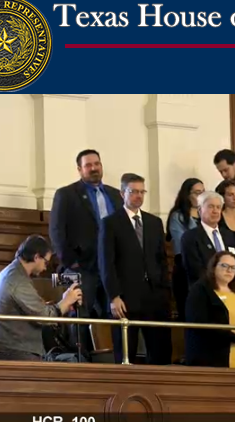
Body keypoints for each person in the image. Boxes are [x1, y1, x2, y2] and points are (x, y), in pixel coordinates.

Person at [49, 150, 123, 354]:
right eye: (88, 165)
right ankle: (79, 362)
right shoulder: (66, 194)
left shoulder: (115, 194)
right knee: (80, 317)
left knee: (113, 316)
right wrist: (71, 262)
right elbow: (56, 231)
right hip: (82, 267)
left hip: (110, 267)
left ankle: (113, 362)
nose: (94, 168)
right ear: (79, 169)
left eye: (97, 164)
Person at [98, 173, 172, 365]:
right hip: (126, 298)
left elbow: (162, 260)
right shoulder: (111, 223)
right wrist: (113, 296)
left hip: (154, 297)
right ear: (123, 193)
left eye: (142, 192)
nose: (138, 196)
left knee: (160, 353)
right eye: (133, 192)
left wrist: (164, 291)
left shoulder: (154, 223)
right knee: (126, 354)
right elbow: (106, 263)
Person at [0, 235, 83, 361]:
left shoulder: (12, 273)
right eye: (46, 262)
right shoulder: (17, 280)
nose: (46, 267)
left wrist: (65, 300)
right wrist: (66, 302)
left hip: (14, 349)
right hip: (16, 352)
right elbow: (43, 317)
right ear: (36, 257)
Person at [185, 251, 235, 368]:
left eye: (233, 267)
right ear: (213, 267)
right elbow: (199, 323)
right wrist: (233, 337)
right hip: (211, 358)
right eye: (224, 266)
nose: (229, 270)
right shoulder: (200, 290)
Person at [167, 178, 204, 321]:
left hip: (207, 269)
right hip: (185, 268)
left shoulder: (206, 214)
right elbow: (182, 245)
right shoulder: (178, 216)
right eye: (197, 193)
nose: (200, 196)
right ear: (187, 195)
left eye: (203, 192)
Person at [181, 192, 235, 286]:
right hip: (205, 290)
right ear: (199, 210)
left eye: (218, 207)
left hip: (230, 289)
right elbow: (195, 270)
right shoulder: (190, 237)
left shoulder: (228, 235)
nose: (215, 211)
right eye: (211, 207)